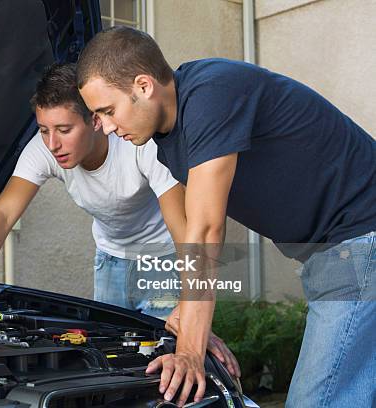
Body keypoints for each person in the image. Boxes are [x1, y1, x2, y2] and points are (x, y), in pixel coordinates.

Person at [76, 26, 376, 408]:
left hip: (360, 237)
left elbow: (206, 229)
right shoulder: (169, 141)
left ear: (144, 86)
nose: (106, 127)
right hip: (332, 252)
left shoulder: (210, 93)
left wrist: (188, 352)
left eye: (107, 110)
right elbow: (190, 233)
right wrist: (188, 316)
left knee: (317, 400)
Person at [0, 63, 240, 377]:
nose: (52, 143)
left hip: (164, 262)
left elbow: (185, 227)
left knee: (166, 368)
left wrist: (193, 315)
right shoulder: (45, 149)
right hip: (109, 260)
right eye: (43, 130)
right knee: (108, 365)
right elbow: (1, 214)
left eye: (64, 130)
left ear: (95, 120)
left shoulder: (141, 144)